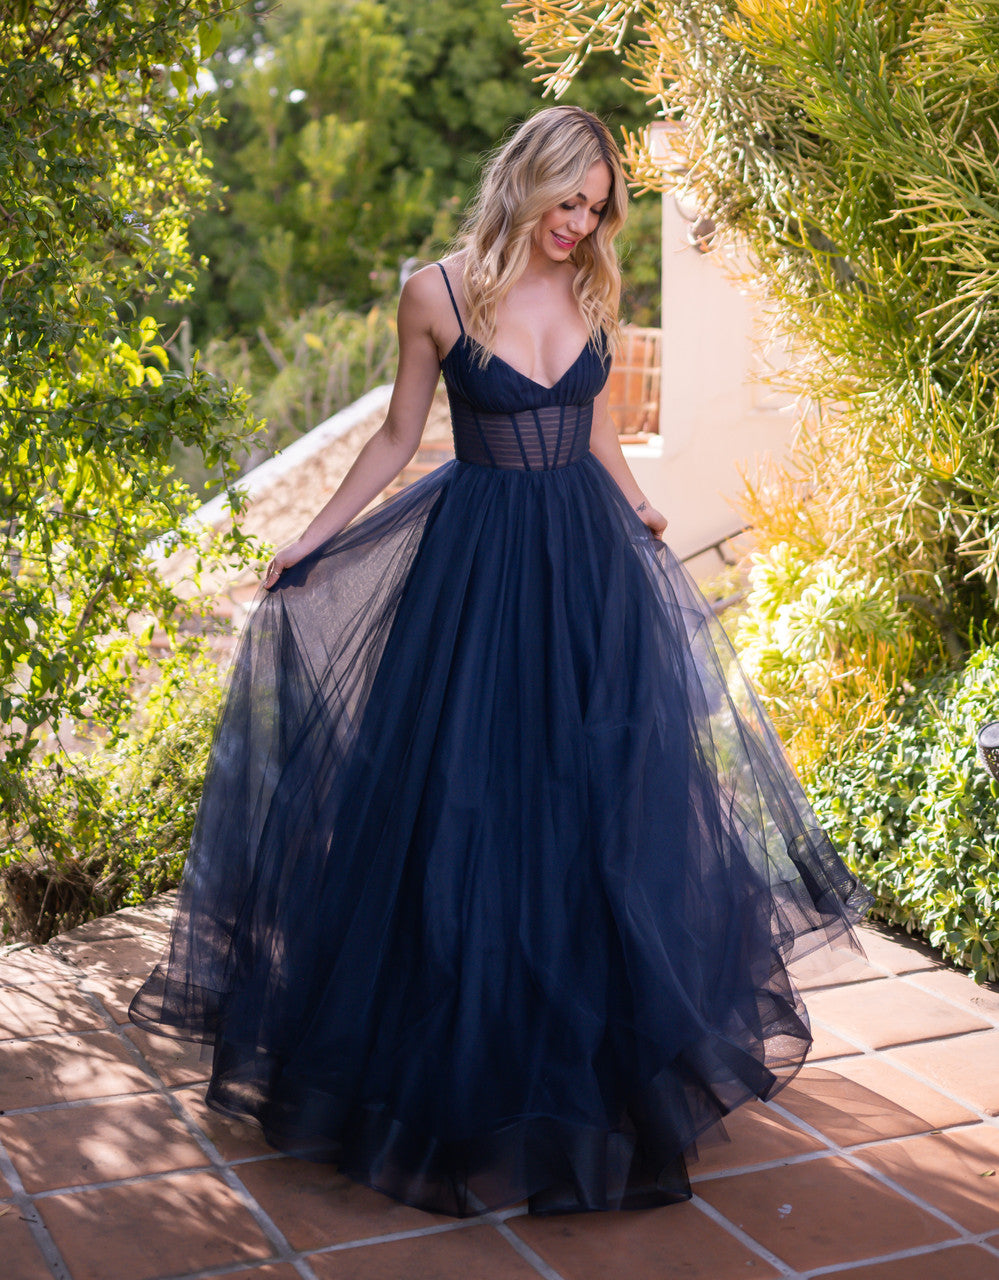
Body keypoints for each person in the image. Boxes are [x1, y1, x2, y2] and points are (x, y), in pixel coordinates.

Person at [130, 105, 871, 1217]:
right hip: (475, 574)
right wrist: (312, 538)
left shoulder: (590, 289)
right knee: (463, 811)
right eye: (567, 199)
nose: (579, 223)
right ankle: (450, 1072)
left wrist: (639, 505)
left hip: (587, 567)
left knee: (601, 811)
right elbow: (396, 435)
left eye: (598, 206)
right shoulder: (435, 291)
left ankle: (596, 1073)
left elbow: (599, 426)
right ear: (524, 181)